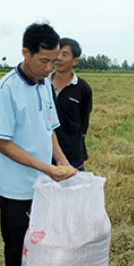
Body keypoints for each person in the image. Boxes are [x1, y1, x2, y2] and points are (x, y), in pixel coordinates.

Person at [0, 22, 76, 266]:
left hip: (42, 183)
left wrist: (62, 162)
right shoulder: (7, 89)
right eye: (43, 61)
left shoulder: (44, 86)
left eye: (54, 61)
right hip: (15, 189)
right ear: (25, 52)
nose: (49, 67)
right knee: (17, 249)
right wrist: (46, 168)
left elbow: (48, 127)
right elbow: (3, 144)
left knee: (40, 245)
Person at [51, 37, 92, 170]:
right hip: (45, 156)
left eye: (65, 54)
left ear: (75, 60)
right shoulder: (42, 85)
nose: (59, 58)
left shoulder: (83, 88)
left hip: (72, 157)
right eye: (57, 53)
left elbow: (83, 123)